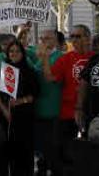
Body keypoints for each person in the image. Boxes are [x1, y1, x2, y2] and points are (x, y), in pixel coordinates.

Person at [40, 24, 95, 176]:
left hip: (90, 112)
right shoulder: (66, 58)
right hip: (67, 113)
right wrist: (45, 59)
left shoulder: (96, 58)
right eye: (72, 37)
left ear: (88, 38)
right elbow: (50, 78)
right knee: (60, 151)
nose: (74, 40)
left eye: (78, 36)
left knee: (90, 152)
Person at [0, 40, 39, 176]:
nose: (14, 54)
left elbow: (34, 94)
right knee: (1, 153)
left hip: (23, 119)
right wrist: (5, 110)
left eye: (17, 51)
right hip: (4, 119)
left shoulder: (29, 72)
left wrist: (19, 101)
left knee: (22, 154)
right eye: (11, 51)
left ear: (22, 53)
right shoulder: (3, 70)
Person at [33, 30, 63, 176]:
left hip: (54, 108)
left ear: (56, 41)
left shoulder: (60, 57)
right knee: (40, 144)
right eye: (41, 38)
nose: (44, 41)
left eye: (48, 38)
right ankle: (42, 167)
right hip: (38, 108)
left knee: (52, 145)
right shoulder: (37, 57)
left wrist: (44, 59)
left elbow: (49, 78)